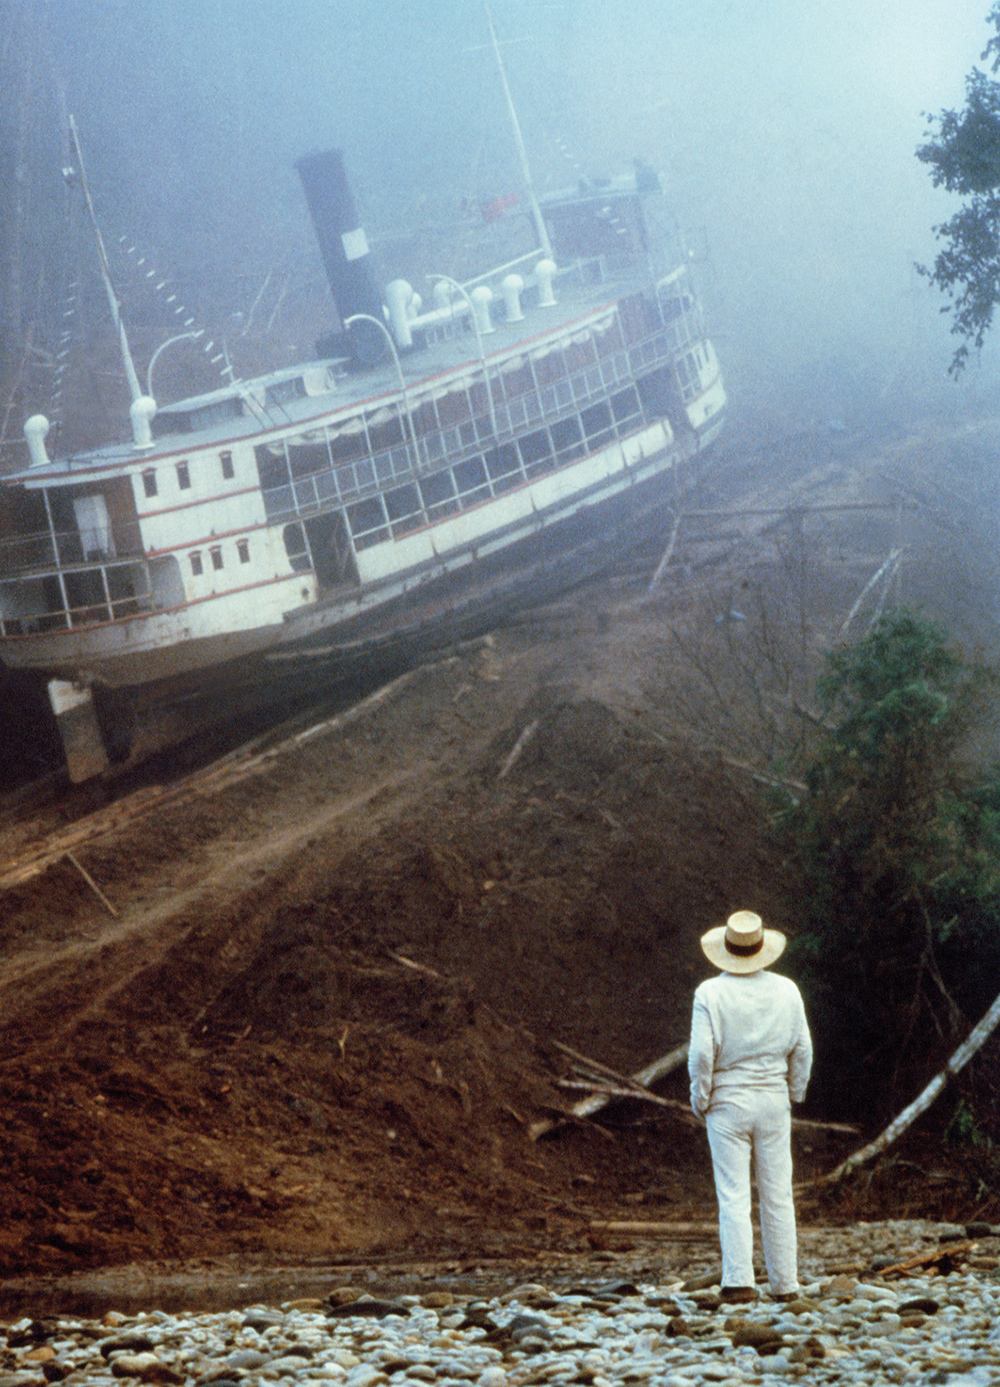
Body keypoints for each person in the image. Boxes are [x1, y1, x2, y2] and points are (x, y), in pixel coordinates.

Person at [688, 909, 812, 1303]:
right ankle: (786, 1284)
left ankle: (740, 1281)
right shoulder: (787, 990)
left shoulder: (710, 992)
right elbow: (803, 1049)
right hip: (774, 1098)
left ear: (726, 949)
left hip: (727, 1100)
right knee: (779, 1193)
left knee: (733, 1193)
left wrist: (700, 1097)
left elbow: (702, 1055)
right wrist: (795, 1092)